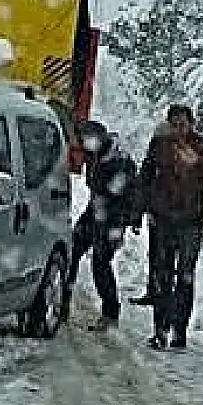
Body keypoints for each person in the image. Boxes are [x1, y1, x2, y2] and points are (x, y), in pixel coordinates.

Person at [136, 104, 203, 351]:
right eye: (174, 123)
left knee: (185, 278)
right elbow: (145, 178)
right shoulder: (160, 145)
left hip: (190, 220)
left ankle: (179, 331)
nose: (179, 128)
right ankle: (160, 329)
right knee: (161, 275)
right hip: (162, 219)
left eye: (183, 123)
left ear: (191, 123)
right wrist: (140, 211)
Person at [65, 119, 140, 331]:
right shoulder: (94, 155)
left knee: (100, 263)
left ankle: (110, 312)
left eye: (90, 141)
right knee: (73, 249)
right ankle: (63, 299)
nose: (86, 145)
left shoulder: (120, 162)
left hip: (114, 216)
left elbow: (128, 197)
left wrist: (119, 228)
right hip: (96, 209)